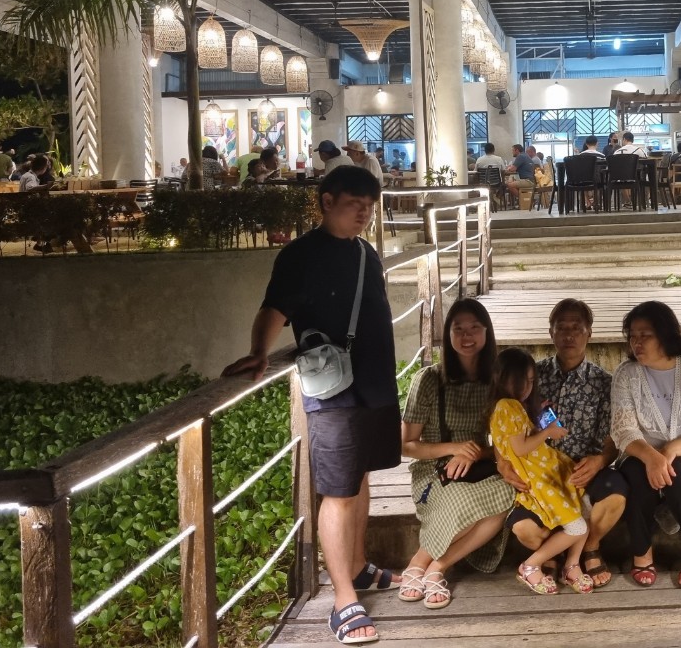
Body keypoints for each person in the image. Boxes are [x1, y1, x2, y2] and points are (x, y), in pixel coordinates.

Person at [221, 166, 400, 645]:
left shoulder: (366, 254)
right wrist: (259, 351)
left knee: (360, 477)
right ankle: (343, 600)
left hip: (375, 385)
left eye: (369, 206)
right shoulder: (300, 255)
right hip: (334, 391)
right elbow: (273, 310)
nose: (364, 213)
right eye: (354, 204)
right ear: (326, 201)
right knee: (338, 490)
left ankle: (358, 567)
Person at [501, 299, 626, 589]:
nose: (569, 335)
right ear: (551, 333)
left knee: (616, 494)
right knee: (524, 529)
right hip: (539, 473)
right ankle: (556, 554)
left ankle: (589, 548)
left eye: (576, 328)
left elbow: (613, 438)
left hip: (583, 469)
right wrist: (504, 462)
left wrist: (600, 461)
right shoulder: (532, 376)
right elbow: (504, 423)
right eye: (562, 328)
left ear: (589, 333)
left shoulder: (604, 382)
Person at [399, 298, 515, 609]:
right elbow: (406, 445)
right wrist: (454, 449)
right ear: (447, 334)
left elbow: (506, 442)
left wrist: (475, 453)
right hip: (434, 467)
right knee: (458, 499)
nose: (467, 336)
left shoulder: (497, 380)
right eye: (458, 329)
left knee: (509, 494)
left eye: (475, 328)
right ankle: (417, 562)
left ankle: (437, 566)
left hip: (480, 464)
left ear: (487, 332)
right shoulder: (429, 380)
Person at [612, 300, 681, 589]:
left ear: (665, 334)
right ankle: (641, 553)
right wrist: (651, 457)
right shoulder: (626, 373)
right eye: (632, 336)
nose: (637, 343)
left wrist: (670, 451)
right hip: (639, 452)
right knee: (635, 474)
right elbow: (623, 429)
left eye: (645, 335)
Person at [489, 348, 595, 596]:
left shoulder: (512, 406)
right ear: (503, 379)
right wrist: (547, 432)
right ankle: (531, 565)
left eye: (531, 381)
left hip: (548, 473)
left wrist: (536, 421)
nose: (527, 387)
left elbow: (518, 440)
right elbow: (520, 448)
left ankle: (571, 565)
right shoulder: (507, 406)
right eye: (520, 381)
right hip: (540, 480)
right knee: (577, 526)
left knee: (585, 506)